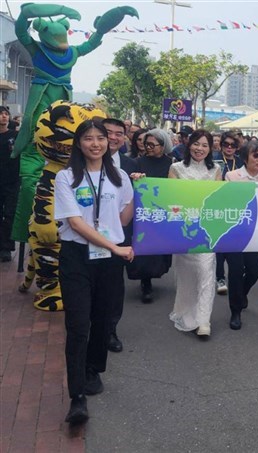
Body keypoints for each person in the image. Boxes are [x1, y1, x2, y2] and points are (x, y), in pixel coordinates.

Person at [53, 119, 134, 425]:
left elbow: (124, 219)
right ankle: (77, 397)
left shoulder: (119, 176)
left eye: (101, 138)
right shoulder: (67, 177)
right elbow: (76, 223)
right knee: (77, 324)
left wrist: (143, 195)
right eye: (89, 138)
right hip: (77, 257)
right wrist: (116, 248)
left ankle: (92, 369)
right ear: (79, 143)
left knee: (102, 319)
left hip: (110, 261)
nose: (96, 143)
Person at [168, 130, 221, 338]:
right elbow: (170, 198)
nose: (200, 149)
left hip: (207, 230)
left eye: (205, 145)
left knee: (206, 269)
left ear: (210, 149)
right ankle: (185, 312)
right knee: (188, 275)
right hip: (184, 229)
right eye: (197, 144)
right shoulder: (176, 168)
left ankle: (203, 320)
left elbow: (217, 199)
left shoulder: (216, 169)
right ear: (189, 145)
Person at [222, 141, 258, 330]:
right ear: (245, 157)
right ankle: (235, 310)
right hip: (235, 232)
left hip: (256, 233)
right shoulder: (232, 176)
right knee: (235, 271)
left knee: (253, 270)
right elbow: (227, 202)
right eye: (256, 155)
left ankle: (241, 293)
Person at [125, 129, 174, 303]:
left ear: (163, 145)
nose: (149, 148)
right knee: (144, 250)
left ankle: (155, 273)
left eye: (153, 145)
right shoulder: (137, 162)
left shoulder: (172, 164)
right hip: (143, 212)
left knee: (161, 252)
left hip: (164, 211)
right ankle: (146, 283)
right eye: (147, 144)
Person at [102, 118, 136, 353]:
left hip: (118, 235)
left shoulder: (131, 165)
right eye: (108, 133)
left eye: (118, 134)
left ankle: (110, 330)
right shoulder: (78, 165)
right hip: (84, 236)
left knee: (114, 285)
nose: (113, 137)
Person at [213, 131, 245, 295]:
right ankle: (220, 277)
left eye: (233, 145)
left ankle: (234, 277)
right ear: (221, 145)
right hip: (218, 206)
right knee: (219, 245)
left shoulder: (241, 162)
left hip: (237, 208)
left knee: (234, 246)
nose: (229, 148)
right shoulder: (214, 160)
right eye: (226, 144)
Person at [0, 106, 19, 263]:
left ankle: (6, 247)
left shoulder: (15, 136)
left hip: (12, 182)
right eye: (1, 114)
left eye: (6, 114)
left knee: (10, 215)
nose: (4, 117)